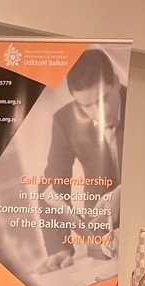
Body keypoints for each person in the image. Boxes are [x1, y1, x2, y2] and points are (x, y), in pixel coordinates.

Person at [37, 48, 126, 273]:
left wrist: (125, 192)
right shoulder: (65, 120)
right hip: (100, 231)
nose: (99, 112)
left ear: (116, 82)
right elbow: (52, 184)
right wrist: (60, 247)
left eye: (104, 99)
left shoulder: (143, 104)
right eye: (86, 106)